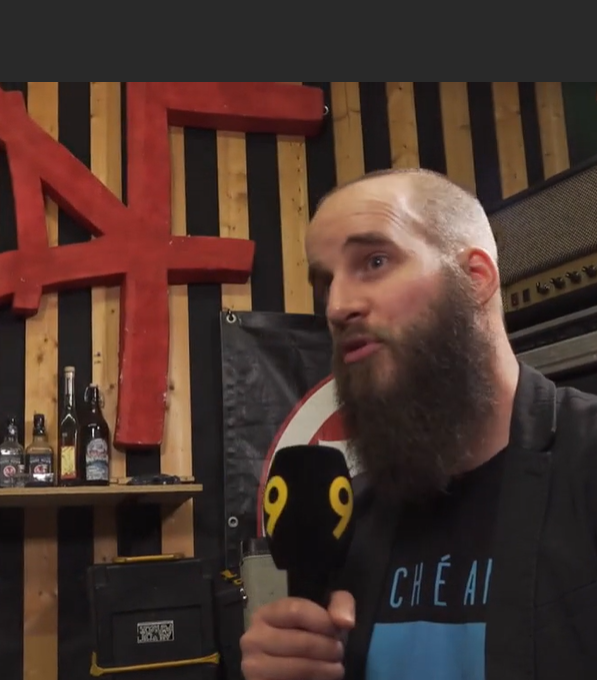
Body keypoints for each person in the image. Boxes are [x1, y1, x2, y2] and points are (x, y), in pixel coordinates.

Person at [240, 168, 596, 680]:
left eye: (374, 261)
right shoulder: (353, 521)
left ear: (476, 278)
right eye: (326, 283)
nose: (337, 306)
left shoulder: (584, 468)